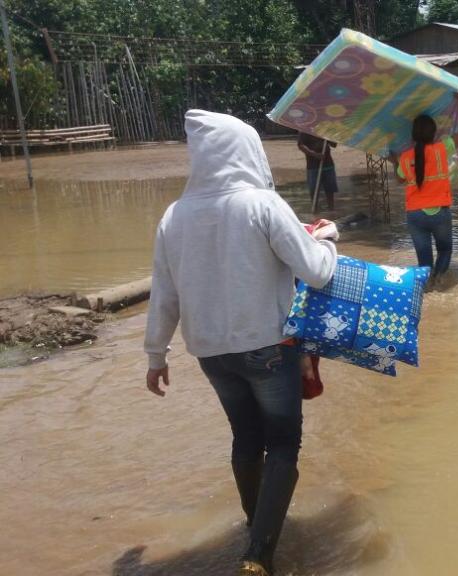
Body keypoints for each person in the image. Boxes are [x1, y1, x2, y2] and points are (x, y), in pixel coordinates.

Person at [145, 110, 339, 576]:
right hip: (268, 347)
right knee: (284, 443)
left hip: (211, 354)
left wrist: (156, 355)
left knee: (246, 437)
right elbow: (316, 271)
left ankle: (255, 524)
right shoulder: (263, 204)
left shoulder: (174, 216)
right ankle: (258, 555)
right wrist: (328, 240)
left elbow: (164, 294)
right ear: (247, 152)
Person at [394, 92, 458, 282]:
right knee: (445, 250)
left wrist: (394, 161)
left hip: (415, 214)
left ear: (413, 134)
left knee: (424, 261)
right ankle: (439, 282)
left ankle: (427, 287)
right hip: (439, 212)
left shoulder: (405, 157)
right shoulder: (441, 149)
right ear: (434, 133)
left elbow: (400, 179)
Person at [297, 132, 338, 211]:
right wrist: (314, 154)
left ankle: (331, 210)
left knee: (330, 190)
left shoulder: (325, 128)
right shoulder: (305, 129)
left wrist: (328, 137)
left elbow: (334, 144)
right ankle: (315, 211)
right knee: (314, 190)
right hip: (313, 166)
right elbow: (301, 145)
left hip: (327, 164)